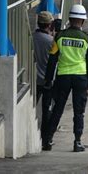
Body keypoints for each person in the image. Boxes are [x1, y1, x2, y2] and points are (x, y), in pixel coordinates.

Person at [43, 4, 88, 152]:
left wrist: (48, 79)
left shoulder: (60, 36)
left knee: (58, 109)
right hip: (81, 78)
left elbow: (52, 59)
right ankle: (77, 142)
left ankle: (48, 140)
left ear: (70, 19)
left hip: (63, 77)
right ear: (83, 21)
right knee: (79, 112)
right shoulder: (86, 39)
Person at [32, 11, 55, 145]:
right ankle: (45, 139)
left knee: (33, 105)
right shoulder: (51, 41)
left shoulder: (32, 38)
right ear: (50, 25)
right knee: (47, 109)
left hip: (34, 78)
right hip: (47, 80)